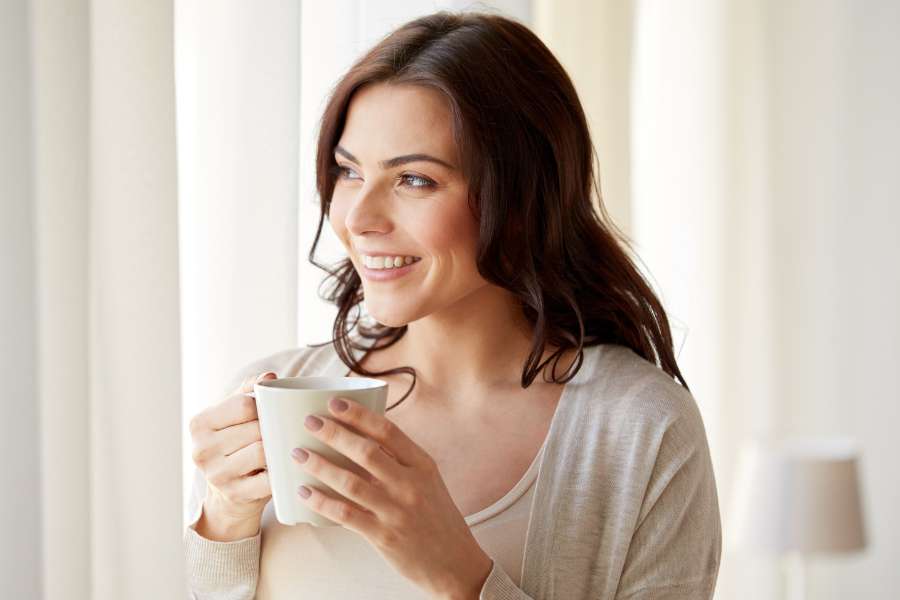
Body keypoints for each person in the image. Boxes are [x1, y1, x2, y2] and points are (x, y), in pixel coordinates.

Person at [183, 10, 721, 600]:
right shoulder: (278, 390)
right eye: (348, 172)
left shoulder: (640, 430)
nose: (358, 219)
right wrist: (223, 523)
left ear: (519, 197)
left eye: (414, 179)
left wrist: (458, 573)